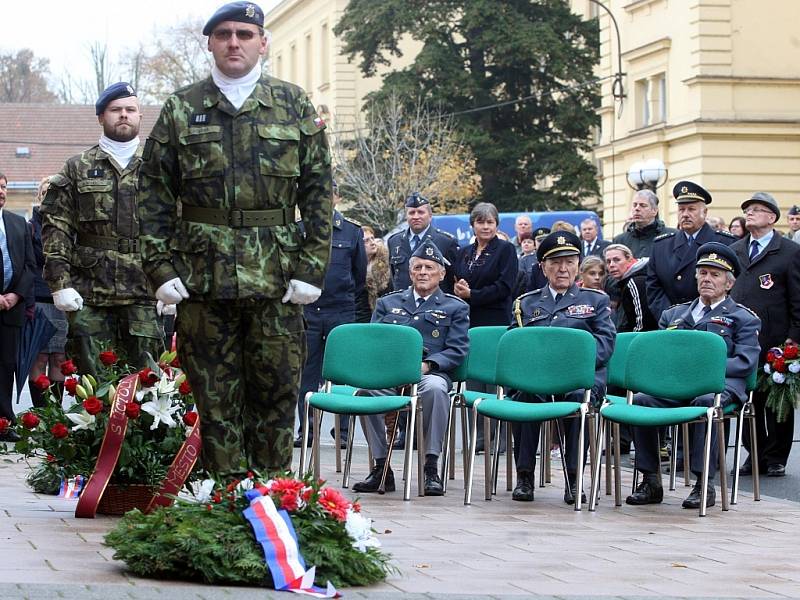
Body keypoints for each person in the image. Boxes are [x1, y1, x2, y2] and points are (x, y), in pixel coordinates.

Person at [137, 1, 333, 476]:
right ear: (209, 43)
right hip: (202, 280)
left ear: (262, 43)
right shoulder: (182, 108)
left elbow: (319, 191)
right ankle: (222, 503)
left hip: (277, 280)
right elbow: (152, 195)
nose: (233, 42)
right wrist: (159, 269)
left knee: (278, 394)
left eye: (244, 34)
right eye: (223, 34)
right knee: (213, 398)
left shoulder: (294, 104)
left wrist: (311, 268)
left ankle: (273, 500)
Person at [40, 82, 164, 375]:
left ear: (140, 117)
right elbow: (56, 227)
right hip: (89, 293)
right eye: (115, 110)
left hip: (144, 290)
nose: (123, 115)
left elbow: (177, 225)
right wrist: (60, 284)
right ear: (101, 117)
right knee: (93, 386)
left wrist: (174, 279)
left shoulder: (159, 166)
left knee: (147, 384)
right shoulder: (77, 167)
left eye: (130, 110)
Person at [626, 242, 761, 509]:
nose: (707, 279)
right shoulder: (674, 315)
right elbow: (659, 358)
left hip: (718, 387)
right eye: (703, 273)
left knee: (705, 402)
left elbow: (744, 362)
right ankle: (651, 480)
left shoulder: (742, 318)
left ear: (729, 283)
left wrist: (701, 373)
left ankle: (704, 484)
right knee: (641, 401)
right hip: (675, 387)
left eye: (715, 274)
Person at [352, 239, 469, 496]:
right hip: (390, 375)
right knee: (365, 394)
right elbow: (375, 342)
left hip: (428, 374)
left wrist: (428, 365)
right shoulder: (388, 303)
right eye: (417, 268)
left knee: (437, 390)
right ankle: (381, 468)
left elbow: (458, 349)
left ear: (441, 273)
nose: (423, 273)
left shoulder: (455, 307)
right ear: (410, 271)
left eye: (429, 267)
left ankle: (431, 467)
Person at [509, 231, 615, 503]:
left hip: (578, 380)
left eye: (569, 261)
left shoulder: (595, 301)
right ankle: (525, 476)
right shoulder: (526, 303)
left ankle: (574, 478)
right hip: (537, 380)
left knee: (579, 399)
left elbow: (604, 344)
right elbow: (515, 345)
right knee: (525, 396)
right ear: (543, 267)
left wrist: (571, 368)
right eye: (555, 262)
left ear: (578, 264)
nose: (563, 268)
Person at [730, 192, 800, 478]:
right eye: (747, 209)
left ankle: (776, 456)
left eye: (757, 210)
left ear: (772, 218)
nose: (750, 213)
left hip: (776, 338)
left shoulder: (789, 251)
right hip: (742, 339)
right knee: (749, 399)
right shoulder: (735, 250)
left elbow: (797, 298)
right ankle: (754, 453)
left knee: (777, 400)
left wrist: (794, 336)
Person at [294, 182, 366, 448]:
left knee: (343, 375)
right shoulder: (300, 230)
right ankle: (307, 431)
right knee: (307, 373)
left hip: (341, 311)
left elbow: (359, 277)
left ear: (337, 197)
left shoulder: (352, 231)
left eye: (328, 194)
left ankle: (343, 432)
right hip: (309, 312)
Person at [454, 202, 518, 454]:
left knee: (493, 382)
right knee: (474, 381)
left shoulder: (505, 250)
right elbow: (458, 278)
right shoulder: (465, 252)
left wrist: (473, 294)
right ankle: (478, 438)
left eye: (490, 222)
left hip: (494, 320)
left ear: (497, 224)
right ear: (473, 225)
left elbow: (505, 287)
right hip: (469, 321)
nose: (485, 226)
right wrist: (460, 290)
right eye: (481, 222)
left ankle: (499, 440)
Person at [646, 181, 737, 322]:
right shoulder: (661, 245)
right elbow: (654, 288)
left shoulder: (725, 243)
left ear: (705, 212)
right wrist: (670, 317)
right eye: (681, 209)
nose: (686, 214)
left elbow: (732, 286)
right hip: (672, 323)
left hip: (712, 321)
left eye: (691, 209)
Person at [0, 172, 36, 441]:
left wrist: (15, 296)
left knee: (6, 365)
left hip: (11, 309)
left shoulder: (18, 223)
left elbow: (28, 266)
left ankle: (3, 422)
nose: (2, 192)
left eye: (4, 187)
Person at [28, 177, 68, 408]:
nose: (48, 197)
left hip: (64, 302)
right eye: (44, 192)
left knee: (60, 358)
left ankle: (57, 415)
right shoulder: (28, 227)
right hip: (40, 302)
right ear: (39, 196)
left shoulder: (70, 226)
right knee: (39, 357)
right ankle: (41, 413)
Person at [387, 192, 458, 294]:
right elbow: (394, 277)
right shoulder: (394, 241)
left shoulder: (446, 242)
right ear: (406, 216)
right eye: (411, 213)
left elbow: (453, 279)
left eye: (420, 212)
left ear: (430, 215)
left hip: (434, 304)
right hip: (402, 304)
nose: (416, 216)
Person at [605, 244, 657, 332]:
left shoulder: (636, 282)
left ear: (629, 259)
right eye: (608, 261)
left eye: (617, 260)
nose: (612, 265)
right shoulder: (627, 281)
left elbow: (642, 323)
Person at [612, 189, 676, 258]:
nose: (637, 208)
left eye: (643, 205)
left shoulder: (672, 236)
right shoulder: (620, 241)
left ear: (654, 211)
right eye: (634, 205)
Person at [363, 226, 391, 311]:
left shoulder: (386, 262)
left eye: (372, 238)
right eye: (366, 241)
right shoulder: (356, 267)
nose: (372, 243)